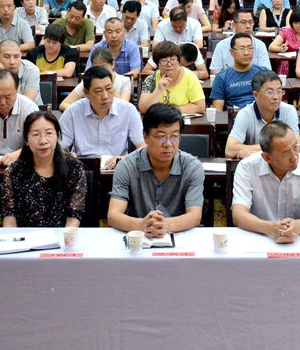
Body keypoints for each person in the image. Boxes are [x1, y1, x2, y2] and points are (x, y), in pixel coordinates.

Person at [107, 104, 204, 236]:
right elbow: (113, 216)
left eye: (174, 136)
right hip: (138, 237)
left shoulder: (192, 167)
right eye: (160, 136)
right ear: (145, 136)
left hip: (179, 235)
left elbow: (195, 216)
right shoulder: (126, 166)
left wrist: (164, 225)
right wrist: (142, 225)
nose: (168, 144)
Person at [232, 121, 300, 243]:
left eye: (295, 147)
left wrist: (299, 226)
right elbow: (238, 214)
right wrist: (270, 228)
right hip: (259, 237)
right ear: (267, 157)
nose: (294, 156)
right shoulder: (247, 167)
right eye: (285, 153)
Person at [0, 111, 86, 228]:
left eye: (49, 133)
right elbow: (9, 216)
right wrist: (12, 238)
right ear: (26, 140)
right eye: (36, 135)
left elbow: (74, 216)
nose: (43, 141)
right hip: (25, 236)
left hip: (61, 235)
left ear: (57, 136)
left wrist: (65, 238)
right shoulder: (14, 171)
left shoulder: (74, 168)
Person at [59, 66, 145, 168]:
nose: (105, 96)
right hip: (83, 168)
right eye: (98, 91)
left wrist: (123, 159)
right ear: (86, 92)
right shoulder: (72, 112)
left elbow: (143, 147)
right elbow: (58, 148)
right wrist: (68, 156)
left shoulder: (128, 110)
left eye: (109, 89)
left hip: (118, 167)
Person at [225, 71, 300, 159]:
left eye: (279, 91)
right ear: (256, 95)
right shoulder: (245, 114)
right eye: (270, 92)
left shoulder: (289, 111)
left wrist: (253, 151)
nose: (276, 97)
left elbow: (295, 146)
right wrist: (279, 147)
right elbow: (230, 150)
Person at [138, 42, 205, 114]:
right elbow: (143, 109)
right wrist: (159, 90)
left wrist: (170, 111)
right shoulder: (151, 79)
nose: (169, 64)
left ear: (179, 61)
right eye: (164, 61)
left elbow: (200, 107)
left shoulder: (191, 77)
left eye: (173, 59)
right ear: (157, 64)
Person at [58, 47, 133, 109]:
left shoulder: (124, 81)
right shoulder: (88, 81)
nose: (100, 72)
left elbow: (124, 108)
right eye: (96, 68)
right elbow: (63, 104)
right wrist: (81, 113)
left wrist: (109, 87)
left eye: (104, 67)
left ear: (112, 64)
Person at [209, 33, 266, 109]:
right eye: (241, 48)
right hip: (234, 114)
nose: (246, 53)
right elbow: (218, 110)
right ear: (231, 52)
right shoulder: (222, 78)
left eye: (250, 48)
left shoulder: (264, 73)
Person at [0, 40, 42, 105]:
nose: (12, 62)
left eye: (16, 57)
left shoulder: (31, 70)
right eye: (7, 57)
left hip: (31, 111)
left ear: (21, 55)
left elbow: (27, 103)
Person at [268, 7, 300, 76]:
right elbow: (271, 46)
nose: (297, 26)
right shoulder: (286, 32)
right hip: (287, 64)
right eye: (295, 23)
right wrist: (281, 48)